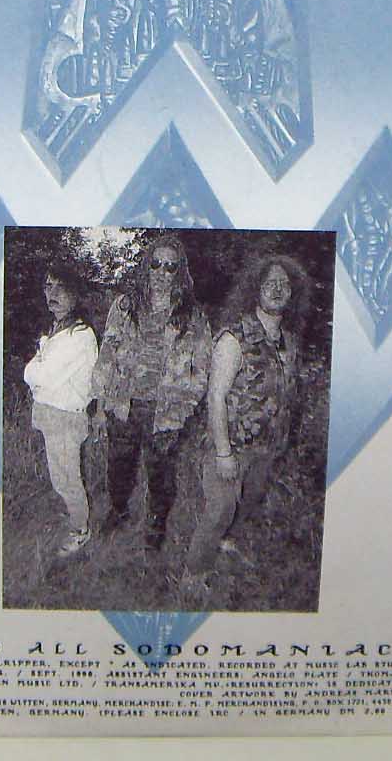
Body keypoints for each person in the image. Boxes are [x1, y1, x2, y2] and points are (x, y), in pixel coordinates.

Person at [185, 252, 310, 577]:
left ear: (293, 293)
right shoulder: (234, 338)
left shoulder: (290, 342)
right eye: (270, 283)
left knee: (247, 502)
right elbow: (216, 396)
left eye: (284, 284)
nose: (277, 289)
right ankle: (193, 575)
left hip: (268, 448)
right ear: (255, 289)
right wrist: (223, 453)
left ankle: (226, 545)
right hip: (231, 446)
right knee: (220, 510)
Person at [91, 234, 211, 554]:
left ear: (179, 272)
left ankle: (156, 526)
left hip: (165, 413)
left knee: (161, 475)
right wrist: (101, 405)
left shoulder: (192, 316)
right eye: (156, 264)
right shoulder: (124, 306)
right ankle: (119, 511)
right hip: (124, 406)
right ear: (147, 266)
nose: (161, 272)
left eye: (170, 266)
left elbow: (201, 370)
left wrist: (182, 411)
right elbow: (107, 355)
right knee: (118, 466)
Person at [23, 265, 99, 555]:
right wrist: (39, 366)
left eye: (60, 287)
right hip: (50, 413)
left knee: (67, 479)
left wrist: (34, 368)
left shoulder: (80, 335)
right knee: (60, 477)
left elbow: (39, 376)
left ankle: (80, 530)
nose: (52, 294)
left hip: (66, 417)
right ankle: (73, 516)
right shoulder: (56, 330)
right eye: (48, 286)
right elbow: (41, 373)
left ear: (75, 294)